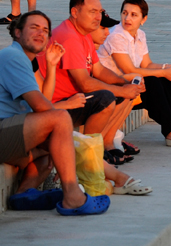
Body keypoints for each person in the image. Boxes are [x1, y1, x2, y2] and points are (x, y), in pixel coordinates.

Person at [0, 11, 106, 215]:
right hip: (3, 129)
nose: (41, 33)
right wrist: (63, 133)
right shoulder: (13, 57)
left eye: (45, 30)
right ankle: (73, 195)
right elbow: (43, 108)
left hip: (10, 131)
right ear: (17, 32)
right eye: (34, 27)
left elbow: (41, 104)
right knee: (60, 123)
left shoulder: (24, 59)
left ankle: (23, 194)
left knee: (56, 140)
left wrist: (51, 66)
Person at [39, 0, 143, 165]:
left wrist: (125, 83)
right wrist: (121, 89)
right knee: (106, 97)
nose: (98, 17)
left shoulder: (84, 33)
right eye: (92, 11)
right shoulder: (69, 37)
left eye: (100, 12)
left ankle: (103, 145)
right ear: (75, 12)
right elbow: (85, 83)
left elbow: (99, 70)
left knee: (127, 90)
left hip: (74, 98)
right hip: (59, 104)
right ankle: (88, 154)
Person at [96, 0, 171, 148]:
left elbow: (147, 64)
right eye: (125, 13)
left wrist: (166, 67)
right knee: (153, 81)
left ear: (144, 19)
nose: (127, 18)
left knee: (163, 79)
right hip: (112, 83)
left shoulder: (140, 35)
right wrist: (162, 72)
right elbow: (129, 70)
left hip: (130, 80)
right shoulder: (116, 35)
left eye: (134, 15)